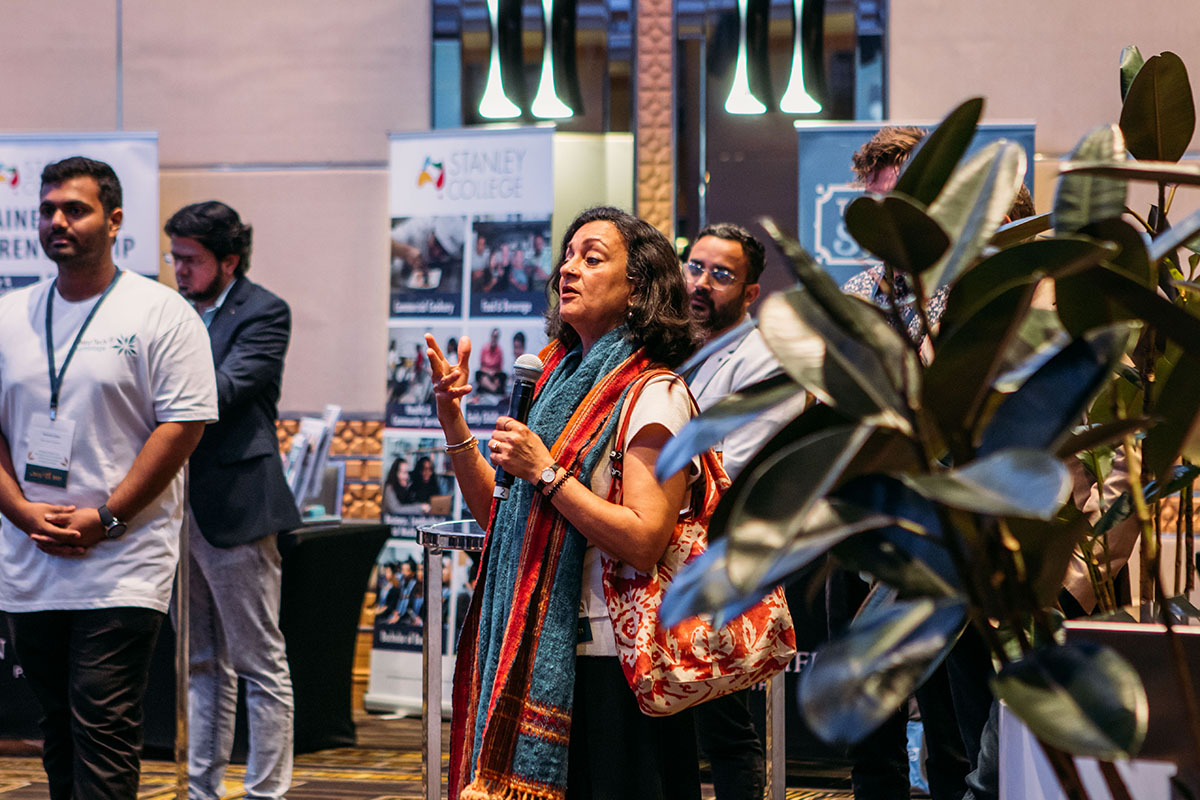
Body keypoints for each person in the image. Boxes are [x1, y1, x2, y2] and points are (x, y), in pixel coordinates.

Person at [426, 206, 703, 800]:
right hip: (546, 651)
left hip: (615, 665)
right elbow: (501, 518)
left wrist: (547, 471)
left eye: (592, 258)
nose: (568, 269)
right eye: (568, 256)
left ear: (639, 289)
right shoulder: (552, 381)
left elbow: (645, 538)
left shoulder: (654, 393)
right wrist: (454, 422)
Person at [0, 156, 218, 800]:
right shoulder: (10, 314)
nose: (57, 221)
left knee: (103, 723)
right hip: (30, 556)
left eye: (75, 209)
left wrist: (107, 517)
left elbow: (182, 427)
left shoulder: (161, 313)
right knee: (56, 728)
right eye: (47, 210)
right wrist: (18, 509)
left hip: (121, 559)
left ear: (115, 219)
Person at [165, 200, 300, 800]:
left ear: (229, 261)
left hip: (239, 505)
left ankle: (265, 793)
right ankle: (202, 791)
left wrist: (148, 381)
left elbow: (222, 390)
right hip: (173, 507)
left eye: (190, 260)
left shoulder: (265, 311)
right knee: (198, 663)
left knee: (258, 664)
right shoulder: (169, 311)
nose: (179, 271)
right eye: (174, 258)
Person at [682, 223, 804, 800]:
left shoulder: (766, 360)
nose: (701, 284)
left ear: (751, 293)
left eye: (721, 275)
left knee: (723, 722)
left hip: (722, 552)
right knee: (670, 715)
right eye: (695, 267)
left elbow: (730, 466)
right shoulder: (674, 346)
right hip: (659, 552)